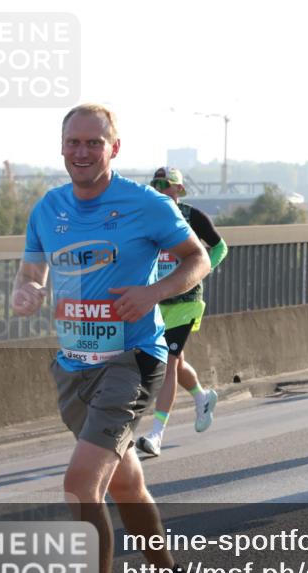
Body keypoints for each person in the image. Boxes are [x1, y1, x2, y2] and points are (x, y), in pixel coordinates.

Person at [12, 104, 209, 573]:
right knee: (125, 486)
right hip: (73, 367)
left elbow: (197, 260)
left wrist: (155, 293)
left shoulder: (146, 205)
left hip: (131, 361)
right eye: (72, 142)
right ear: (62, 147)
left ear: (114, 149)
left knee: (81, 485)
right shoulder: (49, 208)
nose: (81, 152)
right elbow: (32, 272)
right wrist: (26, 291)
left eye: (93, 143)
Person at [136, 167, 228, 457]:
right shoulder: (146, 216)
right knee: (176, 361)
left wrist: (199, 271)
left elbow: (220, 247)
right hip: (157, 298)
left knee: (168, 365)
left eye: (168, 185)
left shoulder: (192, 216)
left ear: (179, 189)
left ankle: (156, 435)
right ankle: (202, 397)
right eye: (157, 183)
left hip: (185, 300)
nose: (162, 188)